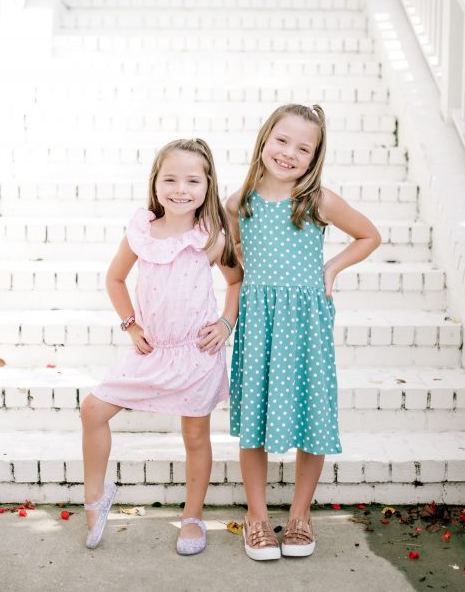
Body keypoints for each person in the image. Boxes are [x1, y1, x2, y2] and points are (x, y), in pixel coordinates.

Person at [225, 104, 381, 561]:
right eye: (282, 140)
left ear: (315, 157)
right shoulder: (241, 201)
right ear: (264, 139)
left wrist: (330, 268)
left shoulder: (318, 201)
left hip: (307, 323)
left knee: (311, 415)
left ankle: (299, 515)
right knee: (253, 419)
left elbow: (368, 235)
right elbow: (235, 258)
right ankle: (256, 517)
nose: (289, 153)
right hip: (259, 324)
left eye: (303, 148)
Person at [79, 138, 242, 555]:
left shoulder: (212, 235)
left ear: (208, 185)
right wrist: (131, 325)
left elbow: (237, 281)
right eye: (170, 178)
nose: (180, 189)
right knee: (93, 409)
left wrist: (226, 322)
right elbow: (115, 279)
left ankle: (191, 517)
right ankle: (95, 498)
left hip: (196, 353)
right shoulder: (142, 231)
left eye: (192, 180)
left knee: (194, 435)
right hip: (153, 352)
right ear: (155, 183)